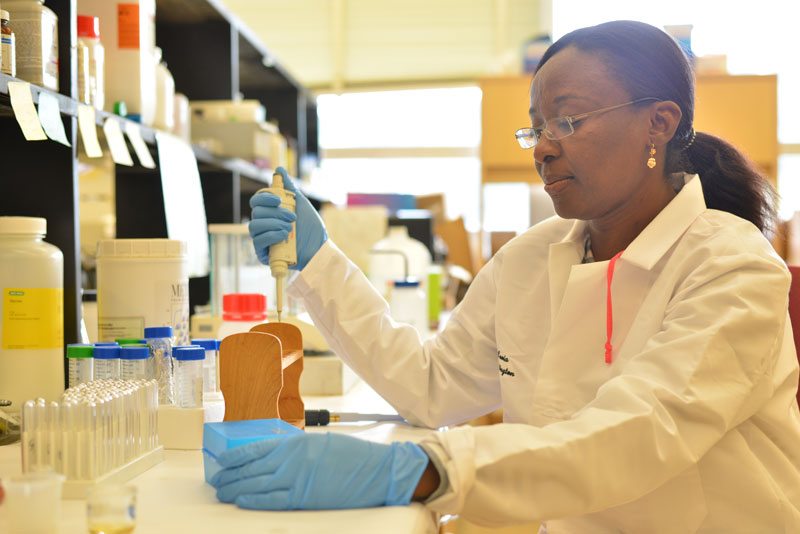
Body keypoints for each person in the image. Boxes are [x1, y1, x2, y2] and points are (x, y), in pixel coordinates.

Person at [211, 20, 800, 532]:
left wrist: (425, 467)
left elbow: (642, 433)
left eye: (568, 120)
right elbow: (431, 384)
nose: (542, 148)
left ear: (659, 123)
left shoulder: (732, 266)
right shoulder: (529, 259)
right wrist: (321, 263)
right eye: (536, 126)